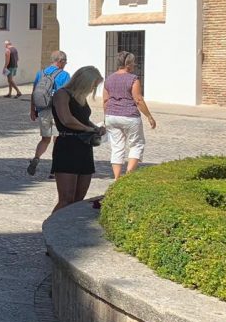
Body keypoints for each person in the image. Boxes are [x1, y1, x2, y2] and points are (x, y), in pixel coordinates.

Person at [50, 66, 105, 213]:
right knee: (66, 198)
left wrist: (96, 128)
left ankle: (66, 230)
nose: (93, 88)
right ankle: (52, 228)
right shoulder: (62, 95)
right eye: (93, 85)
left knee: (78, 199)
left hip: (84, 147)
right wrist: (89, 129)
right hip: (67, 146)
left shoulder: (80, 98)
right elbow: (67, 120)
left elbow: (84, 119)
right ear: (84, 82)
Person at [103, 51, 157, 180]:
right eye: (133, 63)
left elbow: (105, 100)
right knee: (136, 144)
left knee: (117, 147)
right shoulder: (133, 79)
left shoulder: (109, 79)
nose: (134, 65)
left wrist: (106, 116)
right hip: (129, 116)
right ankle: (128, 175)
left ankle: (116, 178)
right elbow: (138, 99)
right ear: (128, 64)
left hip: (111, 115)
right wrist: (149, 116)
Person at [27, 51, 71, 176]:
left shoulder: (40, 73)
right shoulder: (64, 75)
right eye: (65, 62)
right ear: (60, 61)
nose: (65, 64)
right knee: (58, 141)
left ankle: (36, 158)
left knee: (45, 139)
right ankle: (54, 170)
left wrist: (32, 110)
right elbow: (67, 94)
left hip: (43, 110)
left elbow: (34, 93)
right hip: (58, 111)